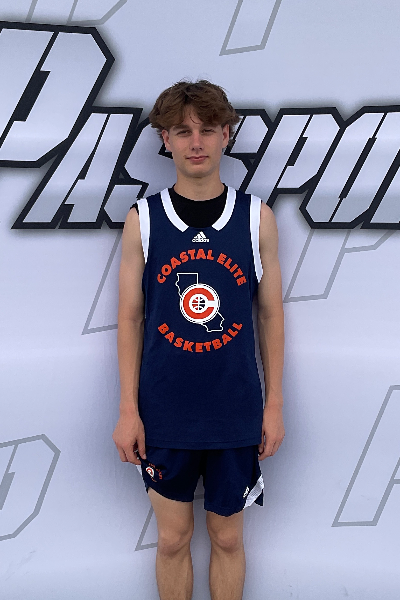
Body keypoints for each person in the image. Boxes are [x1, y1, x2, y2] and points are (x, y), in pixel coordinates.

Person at [112, 80, 285, 600]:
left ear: (226, 135)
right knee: (172, 539)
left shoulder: (256, 217)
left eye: (207, 129)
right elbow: (130, 319)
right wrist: (128, 410)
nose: (196, 142)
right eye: (182, 131)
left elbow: (270, 315)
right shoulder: (144, 219)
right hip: (164, 411)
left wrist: (274, 405)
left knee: (228, 538)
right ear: (164, 139)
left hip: (234, 409)